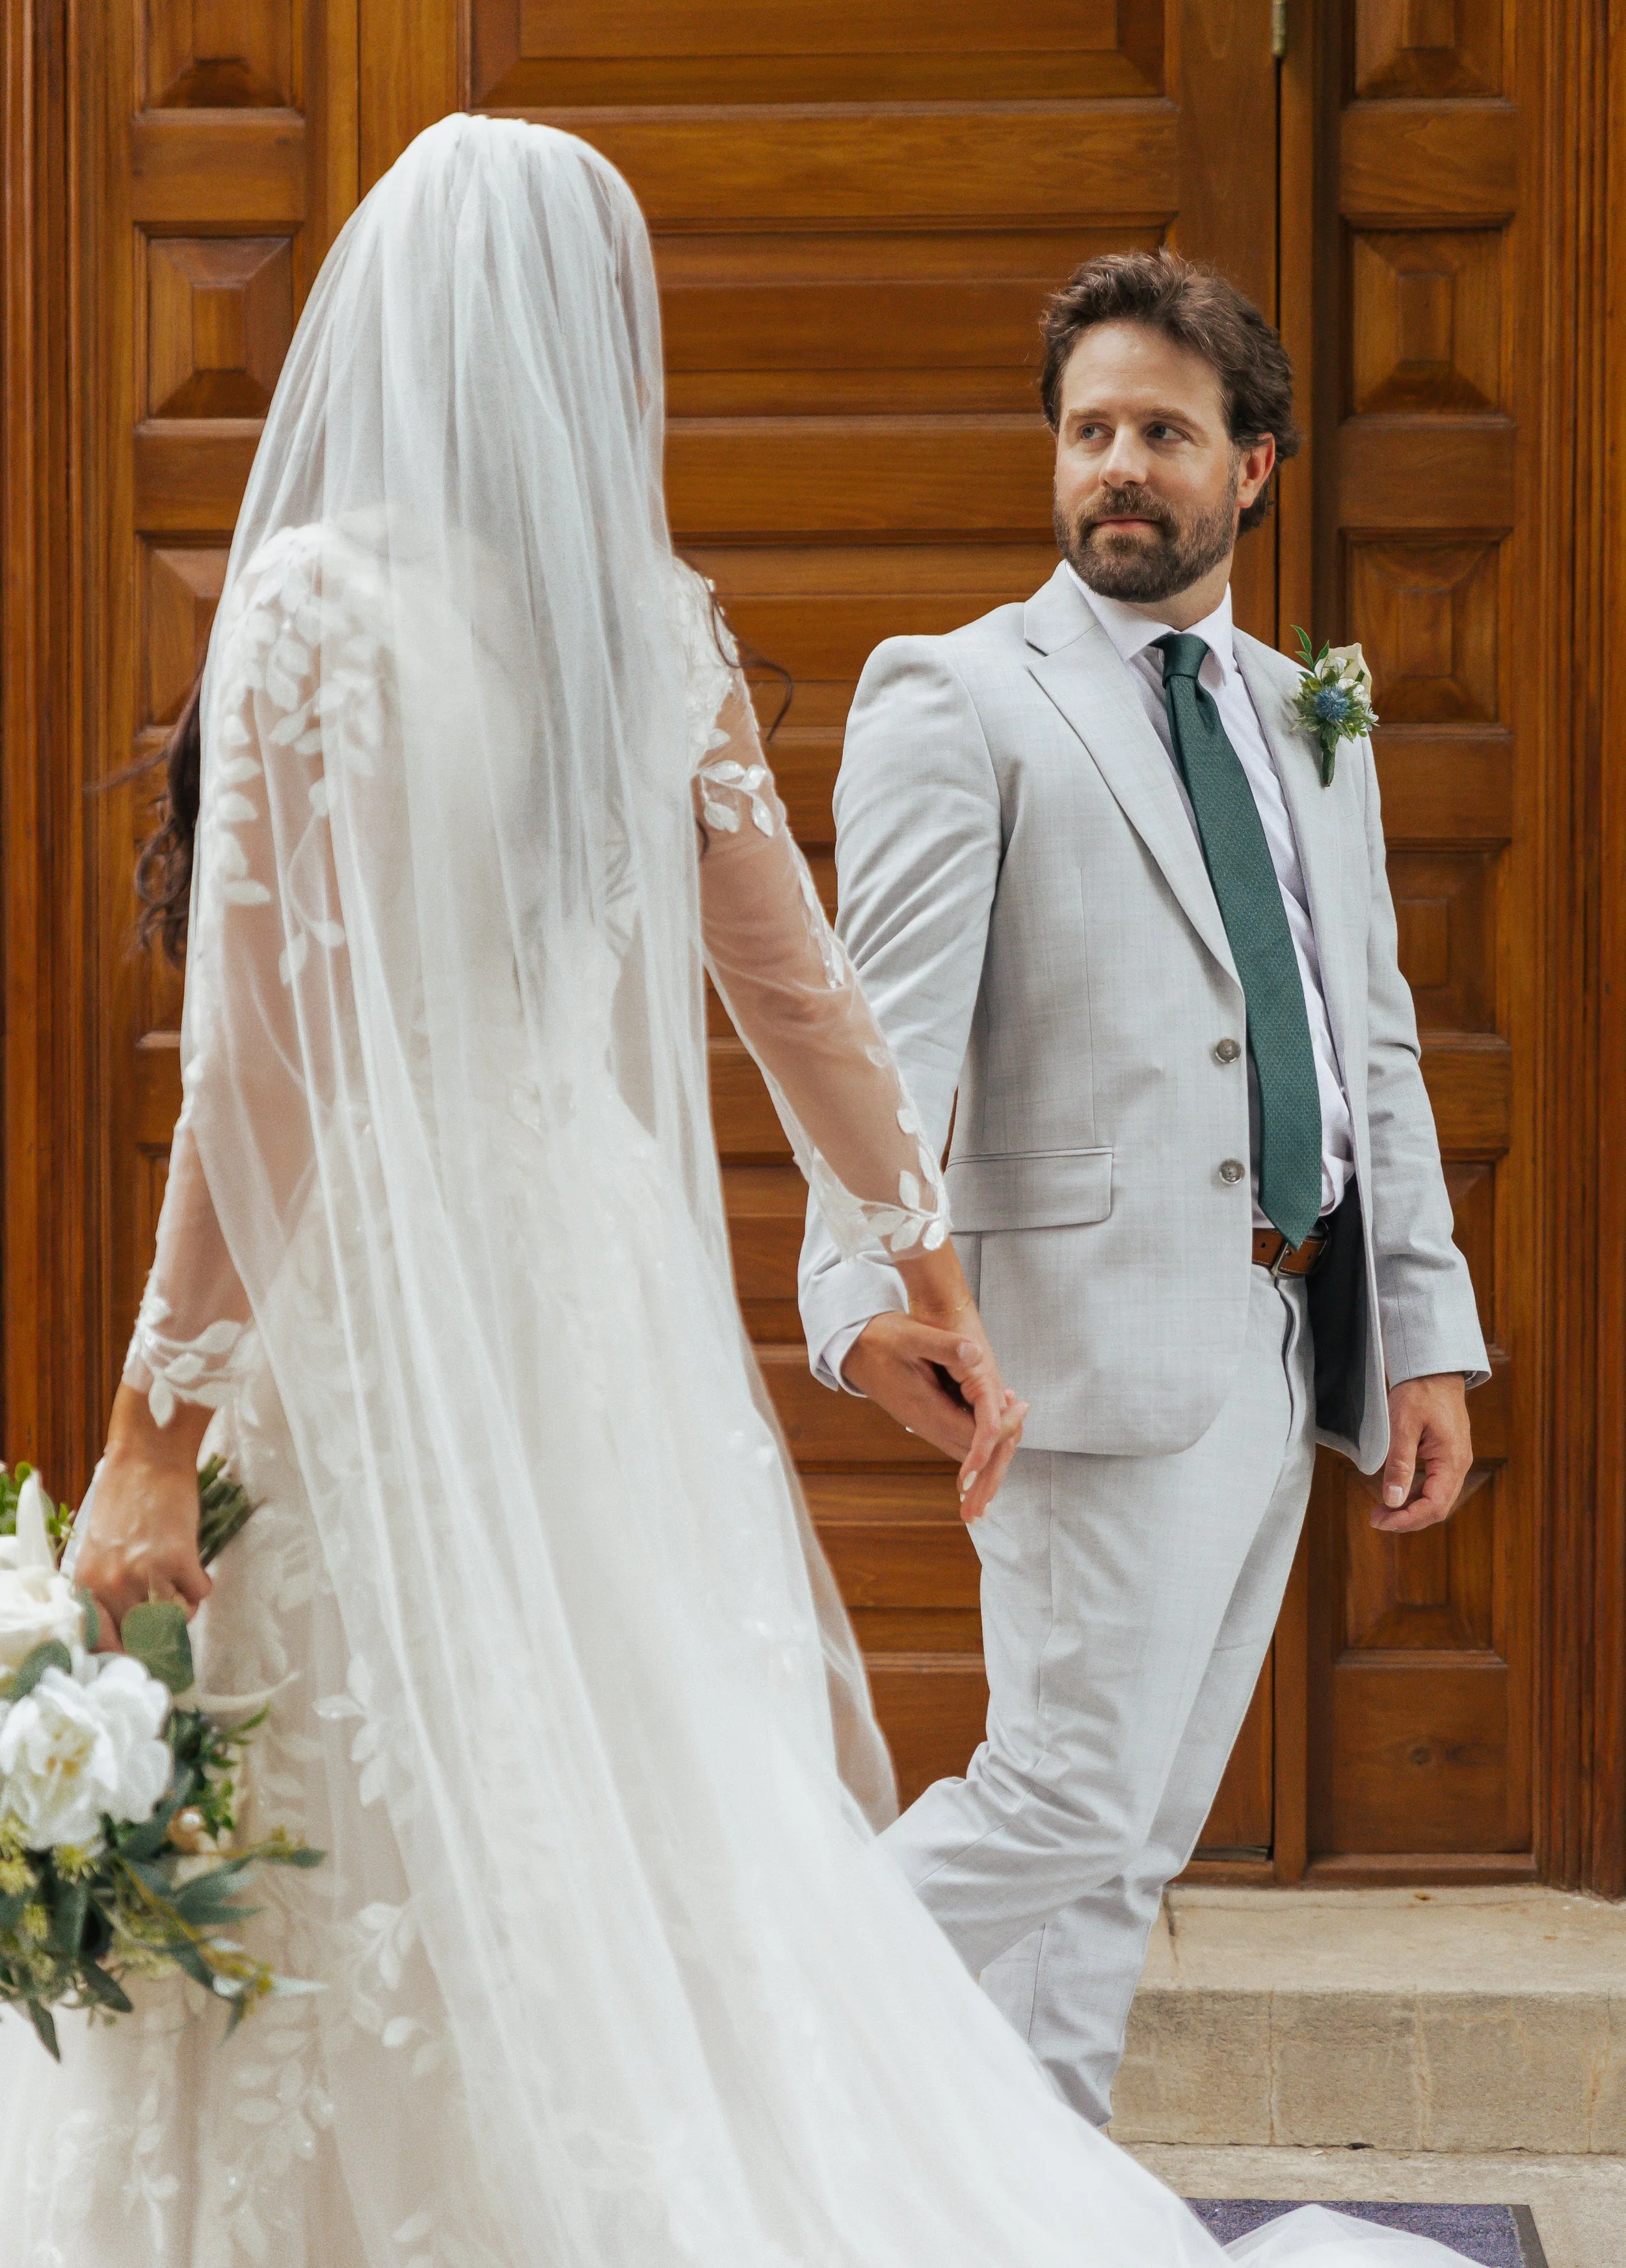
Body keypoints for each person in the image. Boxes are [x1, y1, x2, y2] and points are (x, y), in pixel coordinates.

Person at [0, 122, 1471, 2268]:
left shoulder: (319, 601)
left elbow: (266, 1070)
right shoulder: (645, 621)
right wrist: (926, 1261)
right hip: (589, 1295)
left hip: (397, 1299)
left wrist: (155, 1421)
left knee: (385, 1769)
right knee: (623, 1771)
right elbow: (801, 999)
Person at [800, 249, 1489, 2128]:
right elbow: (876, 1047)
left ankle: (1048, 2193)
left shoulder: (1305, 712)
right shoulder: (956, 694)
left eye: (1162, 434)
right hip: (1084, 1350)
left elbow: (1374, 1043)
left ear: (1247, 468)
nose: (1118, 464)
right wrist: (863, 1296)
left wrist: (1419, 1337)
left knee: (1131, 1840)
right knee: (1064, 1798)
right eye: (1088, 429)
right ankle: (724, 2043)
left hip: (1280, 1334)